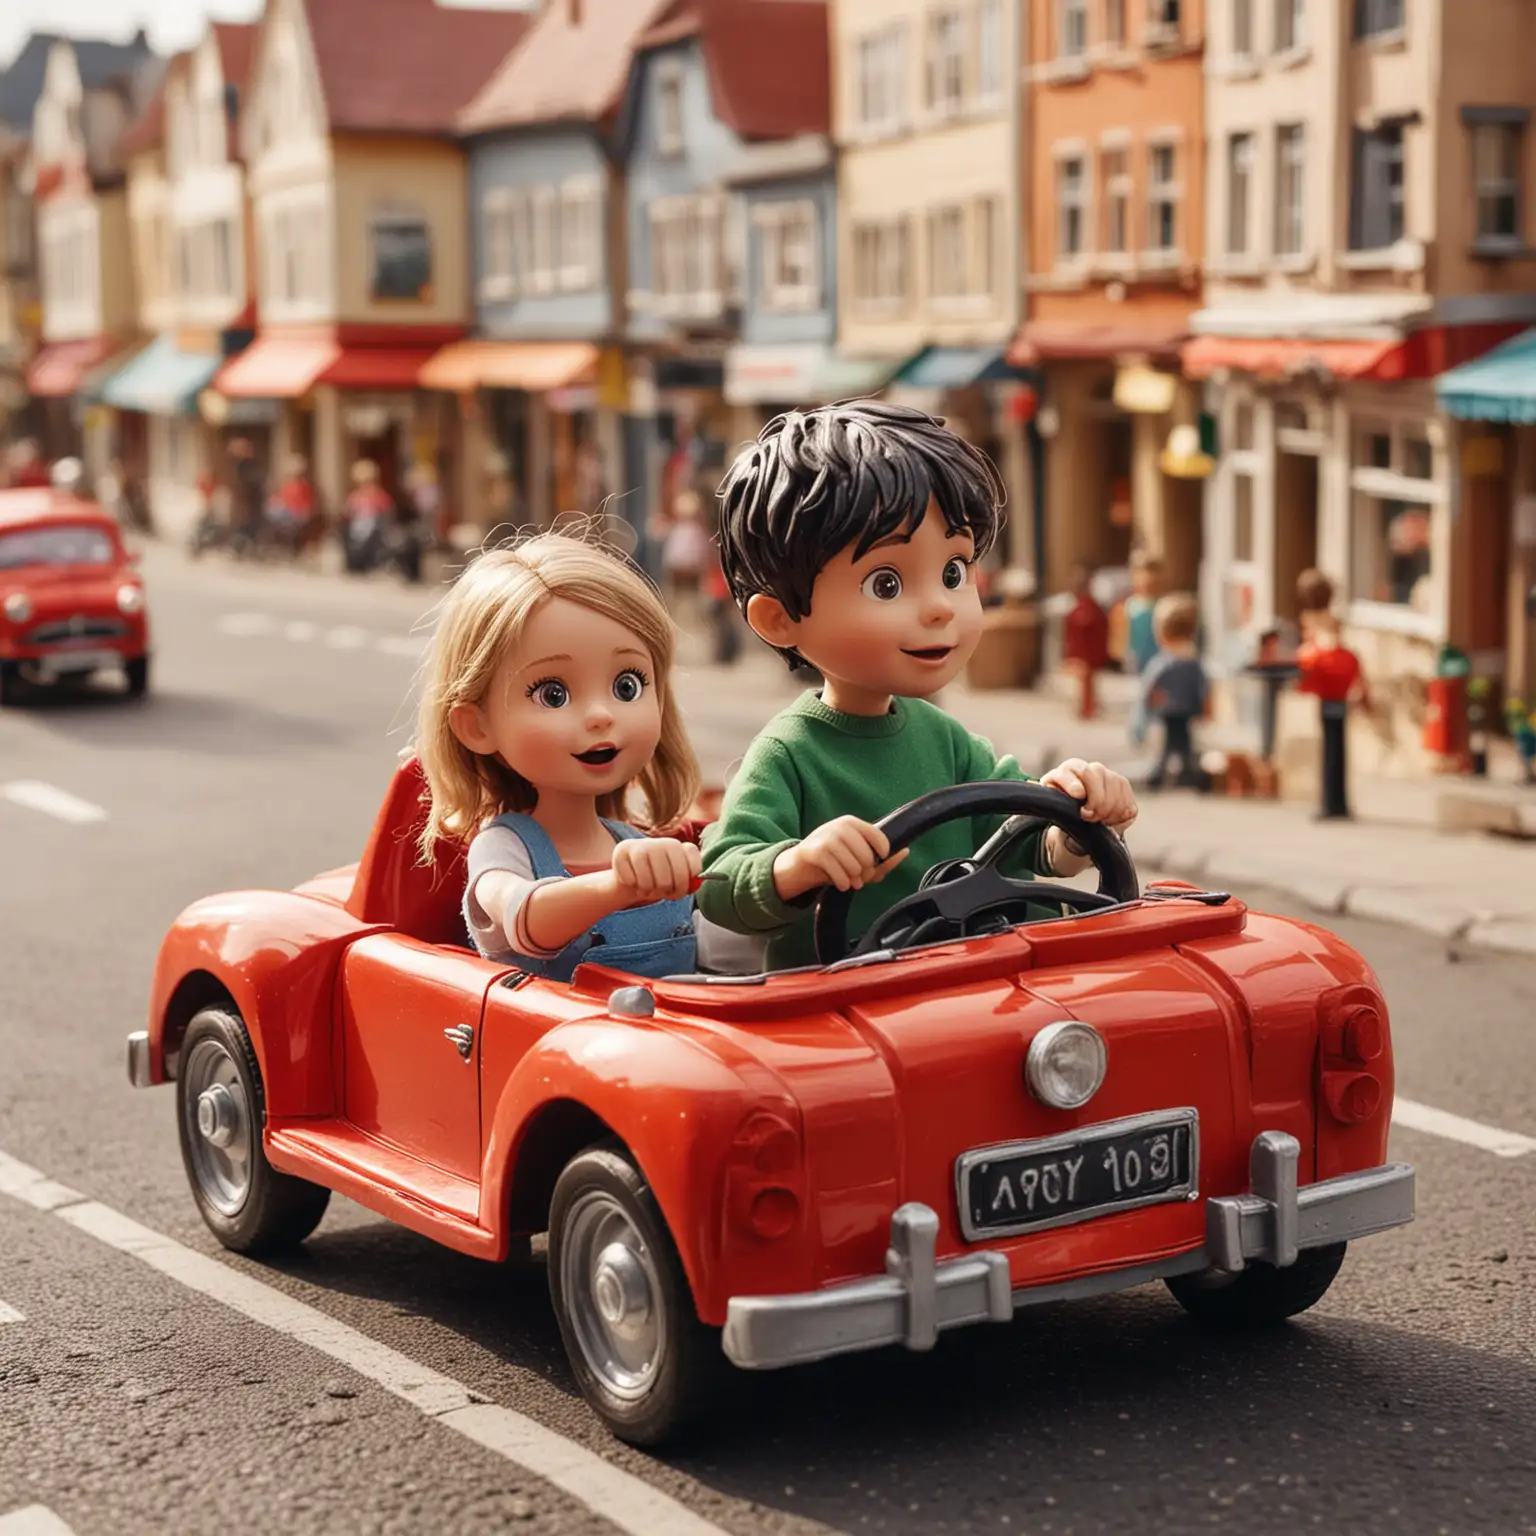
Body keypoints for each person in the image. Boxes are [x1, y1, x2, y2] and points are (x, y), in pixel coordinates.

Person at [698, 400, 1139, 973]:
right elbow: (722, 881)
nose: (938, 607)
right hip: (846, 1005)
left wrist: (1078, 820)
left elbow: (1031, 841)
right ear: (780, 619)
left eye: (954, 571)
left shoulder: (948, 740)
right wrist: (798, 864)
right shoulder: (789, 754)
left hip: (977, 980)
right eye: (887, 583)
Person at [414, 532, 707, 982]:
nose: (599, 716)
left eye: (627, 685)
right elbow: (523, 917)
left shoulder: (635, 843)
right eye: (553, 694)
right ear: (478, 726)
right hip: (550, 1042)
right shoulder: (504, 846)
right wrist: (618, 887)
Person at [1141, 593, 1209, 792]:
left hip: (1167, 709)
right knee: (1184, 742)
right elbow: (1202, 685)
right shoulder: (1193, 659)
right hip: (1187, 709)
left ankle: (1160, 773)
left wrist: (1148, 704)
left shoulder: (1164, 661)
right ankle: (1187, 771)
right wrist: (1203, 705)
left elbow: (1150, 685)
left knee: (1166, 745)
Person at [1117, 552, 1164, 746]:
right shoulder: (1131, 605)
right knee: (1142, 693)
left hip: (1156, 655)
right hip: (1139, 656)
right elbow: (1124, 632)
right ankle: (1139, 729)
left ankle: (1143, 728)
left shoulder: (1159, 606)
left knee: (1151, 694)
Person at [1063, 562, 1110, 720]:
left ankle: (1089, 709)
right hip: (1082, 653)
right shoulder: (1079, 608)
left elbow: (1098, 631)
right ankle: (1086, 708)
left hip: (1088, 654)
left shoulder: (1089, 609)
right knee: (1083, 684)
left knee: (1088, 684)